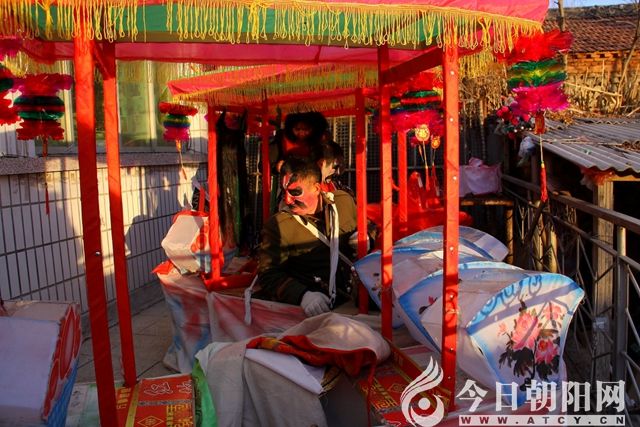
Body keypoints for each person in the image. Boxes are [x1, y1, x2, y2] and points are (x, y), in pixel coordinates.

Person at [256, 157, 358, 317]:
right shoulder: (279, 225)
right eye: (284, 192)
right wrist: (302, 295)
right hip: (317, 309)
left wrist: (366, 238)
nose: (288, 200)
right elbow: (268, 273)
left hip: (354, 300)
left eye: (295, 192)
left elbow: (367, 227)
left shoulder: (343, 202)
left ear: (316, 188)